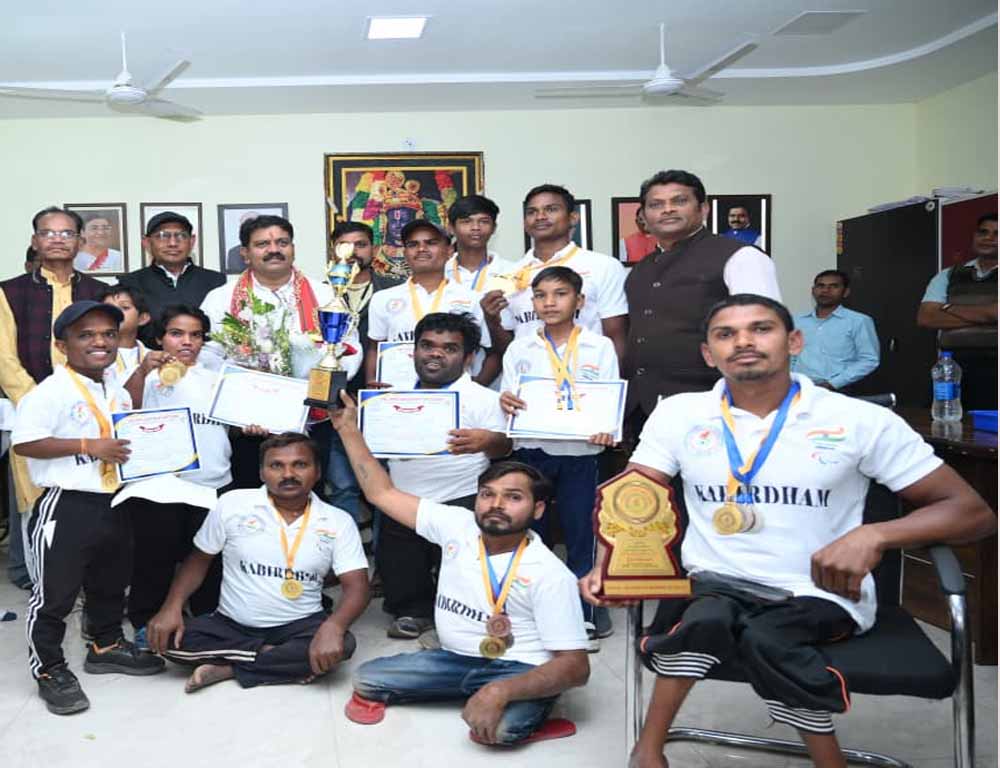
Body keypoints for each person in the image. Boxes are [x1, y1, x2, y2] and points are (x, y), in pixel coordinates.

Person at [580, 294, 996, 768]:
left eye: (761, 329)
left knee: (767, 637)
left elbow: (973, 512)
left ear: (794, 341)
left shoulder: (859, 420)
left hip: (819, 591)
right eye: (726, 334)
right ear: (708, 354)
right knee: (704, 620)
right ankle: (647, 749)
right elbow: (632, 502)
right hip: (712, 582)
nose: (743, 342)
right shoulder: (679, 414)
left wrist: (875, 535)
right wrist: (607, 568)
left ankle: (829, 761)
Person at [329, 394, 590, 745]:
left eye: (514, 497)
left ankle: (523, 697)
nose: (496, 505)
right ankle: (483, 692)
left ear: (538, 510)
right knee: (366, 678)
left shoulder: (550, 574)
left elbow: (576, 667)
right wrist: (347, 428)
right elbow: (382, 493)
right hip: (455, 660)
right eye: (487, 494)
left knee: (501, 732)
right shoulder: (457, 524)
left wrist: (502, 690)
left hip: (519, 666)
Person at [13, 300, 166, 715]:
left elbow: (126, 424)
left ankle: (105, 645)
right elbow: (25, 443)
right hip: (66, 504)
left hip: (113, 499)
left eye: (108, 334)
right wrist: (88, 445)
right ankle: (49, 669)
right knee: (54, 595)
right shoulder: (50, 392)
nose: (100, 342)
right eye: (86, 335)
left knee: (110, 581)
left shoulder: (112, 387)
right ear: (62, 346)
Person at [146, 433, 369, 692]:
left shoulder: (338, 520)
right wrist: (171, 607)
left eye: (300, 464)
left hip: (300, 624)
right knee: (165, 640)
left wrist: (334, 626)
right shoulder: (233, 504)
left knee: (344, 644)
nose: (288, 474)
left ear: (317, 472)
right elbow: (198, 560)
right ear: (262, 473)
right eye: (276, 466)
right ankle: (277, 660)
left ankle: (230, 667)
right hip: (231, 624)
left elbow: (358, 587)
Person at [499, 266, 619, 642]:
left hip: (581, 452)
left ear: (579, 301)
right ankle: (529, 609)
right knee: (530, 533)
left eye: (560, 294)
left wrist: (607, 429)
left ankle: (584, 612)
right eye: (541, 295)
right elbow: (508, 396)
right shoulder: (520, 347)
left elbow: (609, 397)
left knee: (581, 532)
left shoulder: (599, 346)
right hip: (531, 451)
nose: (549, 302)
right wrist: (506, 401)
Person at [376, 311, 511, 640]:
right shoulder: (390, 396)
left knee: (466, 579)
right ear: (414, 351)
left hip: (461, 499)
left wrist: (487, 440)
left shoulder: (485, 399)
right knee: (401, 574)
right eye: (427, 346)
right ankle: (413, 610)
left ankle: (458, 610)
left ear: (468, 358)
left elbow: (505, 448)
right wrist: (370, 413)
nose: (435, 354)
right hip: (403, 499)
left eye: (449, 348)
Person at [200, 214, 360, 487]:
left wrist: (320, 387)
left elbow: (349, 347)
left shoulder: (325, 295)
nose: (274, 249)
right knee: (247, 497)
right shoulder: (221, 298)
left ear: (293, 249)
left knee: (308, 495)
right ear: (245, 253)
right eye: (263, 244)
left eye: (282, 242)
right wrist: (237, 402)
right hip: (245, 424)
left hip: (309, 418)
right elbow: (207, 356)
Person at [624, 170, 781, 436]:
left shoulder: (741, 257)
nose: (667, 209)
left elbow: (765, 334)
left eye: (679, 201)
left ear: (704, 209)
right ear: (644, 215)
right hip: (643, 409)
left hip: (714, 406)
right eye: (656, 204)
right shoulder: (640, 270)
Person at [0, 207, 107, 590]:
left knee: (87, 486)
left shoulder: (98, 291)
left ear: (80, 241)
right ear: (35, 241)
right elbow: (4, 357)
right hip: (30, 406)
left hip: (90, 409)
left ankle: (86, 571)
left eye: (66, 233)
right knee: (33, 488)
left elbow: (108, 349)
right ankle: (33, 573)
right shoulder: (9, 292)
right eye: (48, 233)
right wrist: (38, 403)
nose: (57, 240)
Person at [120, 305, 232, 648]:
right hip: (162, 484)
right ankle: (146, 621)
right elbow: (125, 410)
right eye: (177, 334)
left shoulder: (220, 378)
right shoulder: (149, 374)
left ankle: (206, 619)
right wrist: (143, 371)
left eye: (196, 335)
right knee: (155, 557)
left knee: (208, 557)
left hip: (212, 480)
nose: (187, 342)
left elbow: (239, 420)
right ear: (159, 338)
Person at [313, 221, 403, 524]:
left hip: (382, 399)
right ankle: (347, 547)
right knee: (342, 486)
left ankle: (385, 550)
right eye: (345, 245)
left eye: (361, 245)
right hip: (335, 403)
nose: (353, 252)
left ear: (374, 249)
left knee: (388, 484)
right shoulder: (319, 293)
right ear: (333, 250)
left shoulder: (395, 290)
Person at [481, 184, 627, 362]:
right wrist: (492, 321)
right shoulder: (508, 275)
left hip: (585, 372)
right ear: (525, 223)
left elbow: (616, 337)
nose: (540, 216)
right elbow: (507, 350)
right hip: (528, 374)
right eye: (532, 212)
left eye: (551, 209)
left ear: (573, 218)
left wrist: (611, 379)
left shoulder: (603, 266)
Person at [364, 219, 497, 387]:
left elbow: (492, 352)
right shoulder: (383, 298)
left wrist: (477, 386)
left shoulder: (473, 299)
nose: (421, 249)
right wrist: (371, 383)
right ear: (405, 253)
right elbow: (374, 348)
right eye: (413, 244)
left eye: (431, 243)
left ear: (449, 251)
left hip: (454, 394)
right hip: (399, 392)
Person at [917, 212, 998, 409]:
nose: (988, 238)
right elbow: (926, 317)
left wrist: (948, 307)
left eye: (997, 234)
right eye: (983, 232)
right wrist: (987, 316)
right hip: (952, 369)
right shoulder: (949, 275)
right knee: (943, 423)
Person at [119, 212, 225, 346]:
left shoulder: (216, 282)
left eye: (181, 236)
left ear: (192, 241)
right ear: (147, 242)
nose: (173, 243)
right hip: (149, 357)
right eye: (163, 236)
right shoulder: (130, 283)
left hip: (205, 357)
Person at [792, 270, 880, 391]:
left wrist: (833, 383)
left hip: (839, 388)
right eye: (821, 286)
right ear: (813, 290)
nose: (825, 290)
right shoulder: (797, 321)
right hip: (801, 387)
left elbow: (869, 360)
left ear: (846, 292)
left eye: (833, 286)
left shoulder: (859, 321)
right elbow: (791, 356)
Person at [445, 194, 509, 292]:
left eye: (484, 221)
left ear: (494, 228)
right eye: (466, 221)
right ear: (451, 228)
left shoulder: (511, 271)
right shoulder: (439, 272)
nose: (476, 227)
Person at [99, 284, 152, 382]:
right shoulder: (93, 355)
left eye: (124, 307)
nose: (115, 312)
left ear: (142, 318)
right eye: (108, 308)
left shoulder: (153, 357)